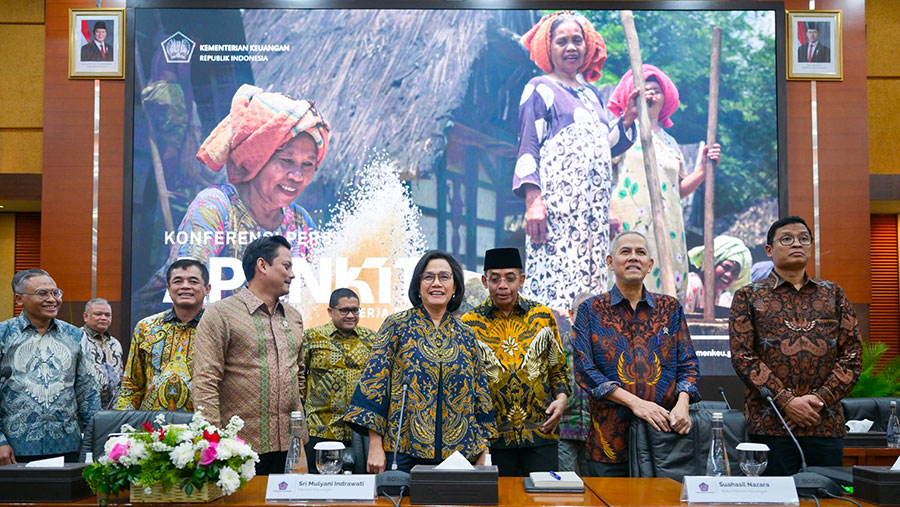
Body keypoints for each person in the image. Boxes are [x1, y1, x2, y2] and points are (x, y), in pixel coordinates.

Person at [134, 83, 330, 319]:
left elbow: (310, 301)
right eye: (286, 161)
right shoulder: (215, 207)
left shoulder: (301, 224)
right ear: (257, 158)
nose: (297, 176)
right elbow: (189, 298)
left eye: (307, 164)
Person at [516, 11, 641, 312]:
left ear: (587, 47)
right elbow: (528, 147)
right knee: (556, 285)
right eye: (562, 41)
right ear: (548, 48)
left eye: (577, 40)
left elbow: (604, 149)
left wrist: (627, 119)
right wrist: (534, 201)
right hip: (558, 210)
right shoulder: (540, 88)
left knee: (591, 286)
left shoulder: (591, 95)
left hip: (593, 216)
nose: (570, 47)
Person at [729, 216, 861, 476]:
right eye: (787, 239)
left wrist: (818, 400)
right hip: (770, 425)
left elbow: (852, 357)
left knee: (829, 495)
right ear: (769, 250)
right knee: (773, 496)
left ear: (811, 247)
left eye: (803, 239)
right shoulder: (748, 296)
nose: (796, 244)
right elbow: (743, 357)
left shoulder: (833, 294)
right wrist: (787, 402)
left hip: (824, 422)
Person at [345, 250, 497, 473]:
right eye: (428, 277)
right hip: (403, 449)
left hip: (460, 453)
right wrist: (375, 446)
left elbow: (480, 395)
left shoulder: (466, 334)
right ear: (418, 285)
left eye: (444, 277)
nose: (436, 283)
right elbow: (374, 386)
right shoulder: (396, 325)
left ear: (455, 287)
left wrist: (484, 448)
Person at [574, 232, 700, 477]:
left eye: (640, 252)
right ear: (610, 262)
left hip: (664, 439)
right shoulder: (591, 309)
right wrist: (637, 404)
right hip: (609, 442)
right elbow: (585, 371)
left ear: (650, 264)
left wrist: (683, 403)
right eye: (625, 252)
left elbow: (688, 364)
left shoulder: (670, 308)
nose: (633, 257)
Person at [193, 235, 307, 475]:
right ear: (262, 265)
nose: (292, 275)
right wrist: (214, 442)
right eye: (286, 266)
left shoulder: (294, 317)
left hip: (292, 447)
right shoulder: (221, 314)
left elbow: (299, 374)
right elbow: (205, 381)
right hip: (239, 447)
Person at [607, 64, 721, 300]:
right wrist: (609, 212)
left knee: (664, 286)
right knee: (631, 276)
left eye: (656, 90)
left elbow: (677, 191)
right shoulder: (623, 131)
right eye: (644, 89)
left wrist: (703, 169)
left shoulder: (670, 143)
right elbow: (601, 172)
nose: (650, 94)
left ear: (665, 98)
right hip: (630, 223)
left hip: (669, 227)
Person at [461, 247, 569, 476]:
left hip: (541, 431)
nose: (503, 285)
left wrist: (561, 399)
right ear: (484, 281)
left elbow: (558, 368)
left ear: (521, 279)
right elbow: (465, 382)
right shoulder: (470, 323)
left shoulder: (542, 316)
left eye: (510, 278)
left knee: (542, 494)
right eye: (495, 279)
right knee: (500, 495)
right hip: (492, 437)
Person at [0, 269, 100, 464]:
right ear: (19, 299)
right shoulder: (3, 334)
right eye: (42, 293)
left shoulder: (75, 336)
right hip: (13, 449)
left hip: (67, 446)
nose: (52, 299)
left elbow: (88, 393)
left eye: (55, 293)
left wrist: (94, 442)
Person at [116, 259, 209, 411]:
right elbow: (131, 385)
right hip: (152, 423)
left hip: (203, 423)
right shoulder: (146, 327)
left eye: (193, 281)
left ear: (207, 289)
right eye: (178, 281)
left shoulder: (218, 327)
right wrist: (124, 422)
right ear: (168, 288)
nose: (185, 286)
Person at [302, 287, 376, 473]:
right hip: (320, 429)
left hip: (360, 432)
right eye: (344, 310)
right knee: (318, 487)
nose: (351, 315)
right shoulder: (312, 337)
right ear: (330, 311)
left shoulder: (371, 339)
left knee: (360, 487)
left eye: (355, 310)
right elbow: (298, 376)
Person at [558, 291, 593, 474]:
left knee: (594, 485)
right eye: (583, 311)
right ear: (571, 314)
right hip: (564, 428)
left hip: (595, 432)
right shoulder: (559, 344)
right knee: (566, 485)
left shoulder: (605, 348)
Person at [684, 235, 752, 313]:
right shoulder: (692, 285)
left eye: (735, 273)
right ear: (712, 263)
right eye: (726, 267)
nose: (729, 275)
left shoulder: (715, 292)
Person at [81, 298, 124, 410]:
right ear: (86, 316)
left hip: (113, 411)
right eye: (98, 314)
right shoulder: (77, 339)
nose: (103, 318)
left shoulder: (115, 344)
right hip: (85, 409)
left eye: (107, 315)